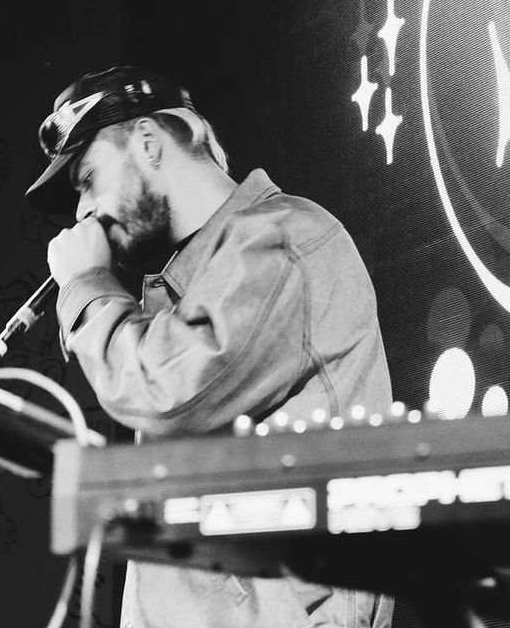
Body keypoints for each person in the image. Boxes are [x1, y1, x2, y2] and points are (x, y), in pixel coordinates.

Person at [26, 66, 393, 628]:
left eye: (89, 179)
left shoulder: (279, 238)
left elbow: (165, 390)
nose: (82, 212)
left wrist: (88, 287)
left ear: (149, 143)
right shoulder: (184, 295)